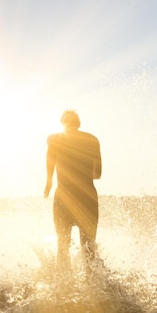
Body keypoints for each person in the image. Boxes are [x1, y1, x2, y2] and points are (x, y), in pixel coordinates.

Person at [44, 110, 102, 271]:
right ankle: (95, 290)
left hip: (64, 196)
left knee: (62, 245)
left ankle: (63, 287)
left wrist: (49, 182)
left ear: (62, 123)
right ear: (79, 123)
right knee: (89, 247)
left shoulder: (54, 139)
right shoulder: (92, 140)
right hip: (87, 197)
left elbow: (50, 162)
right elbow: (98, 174)